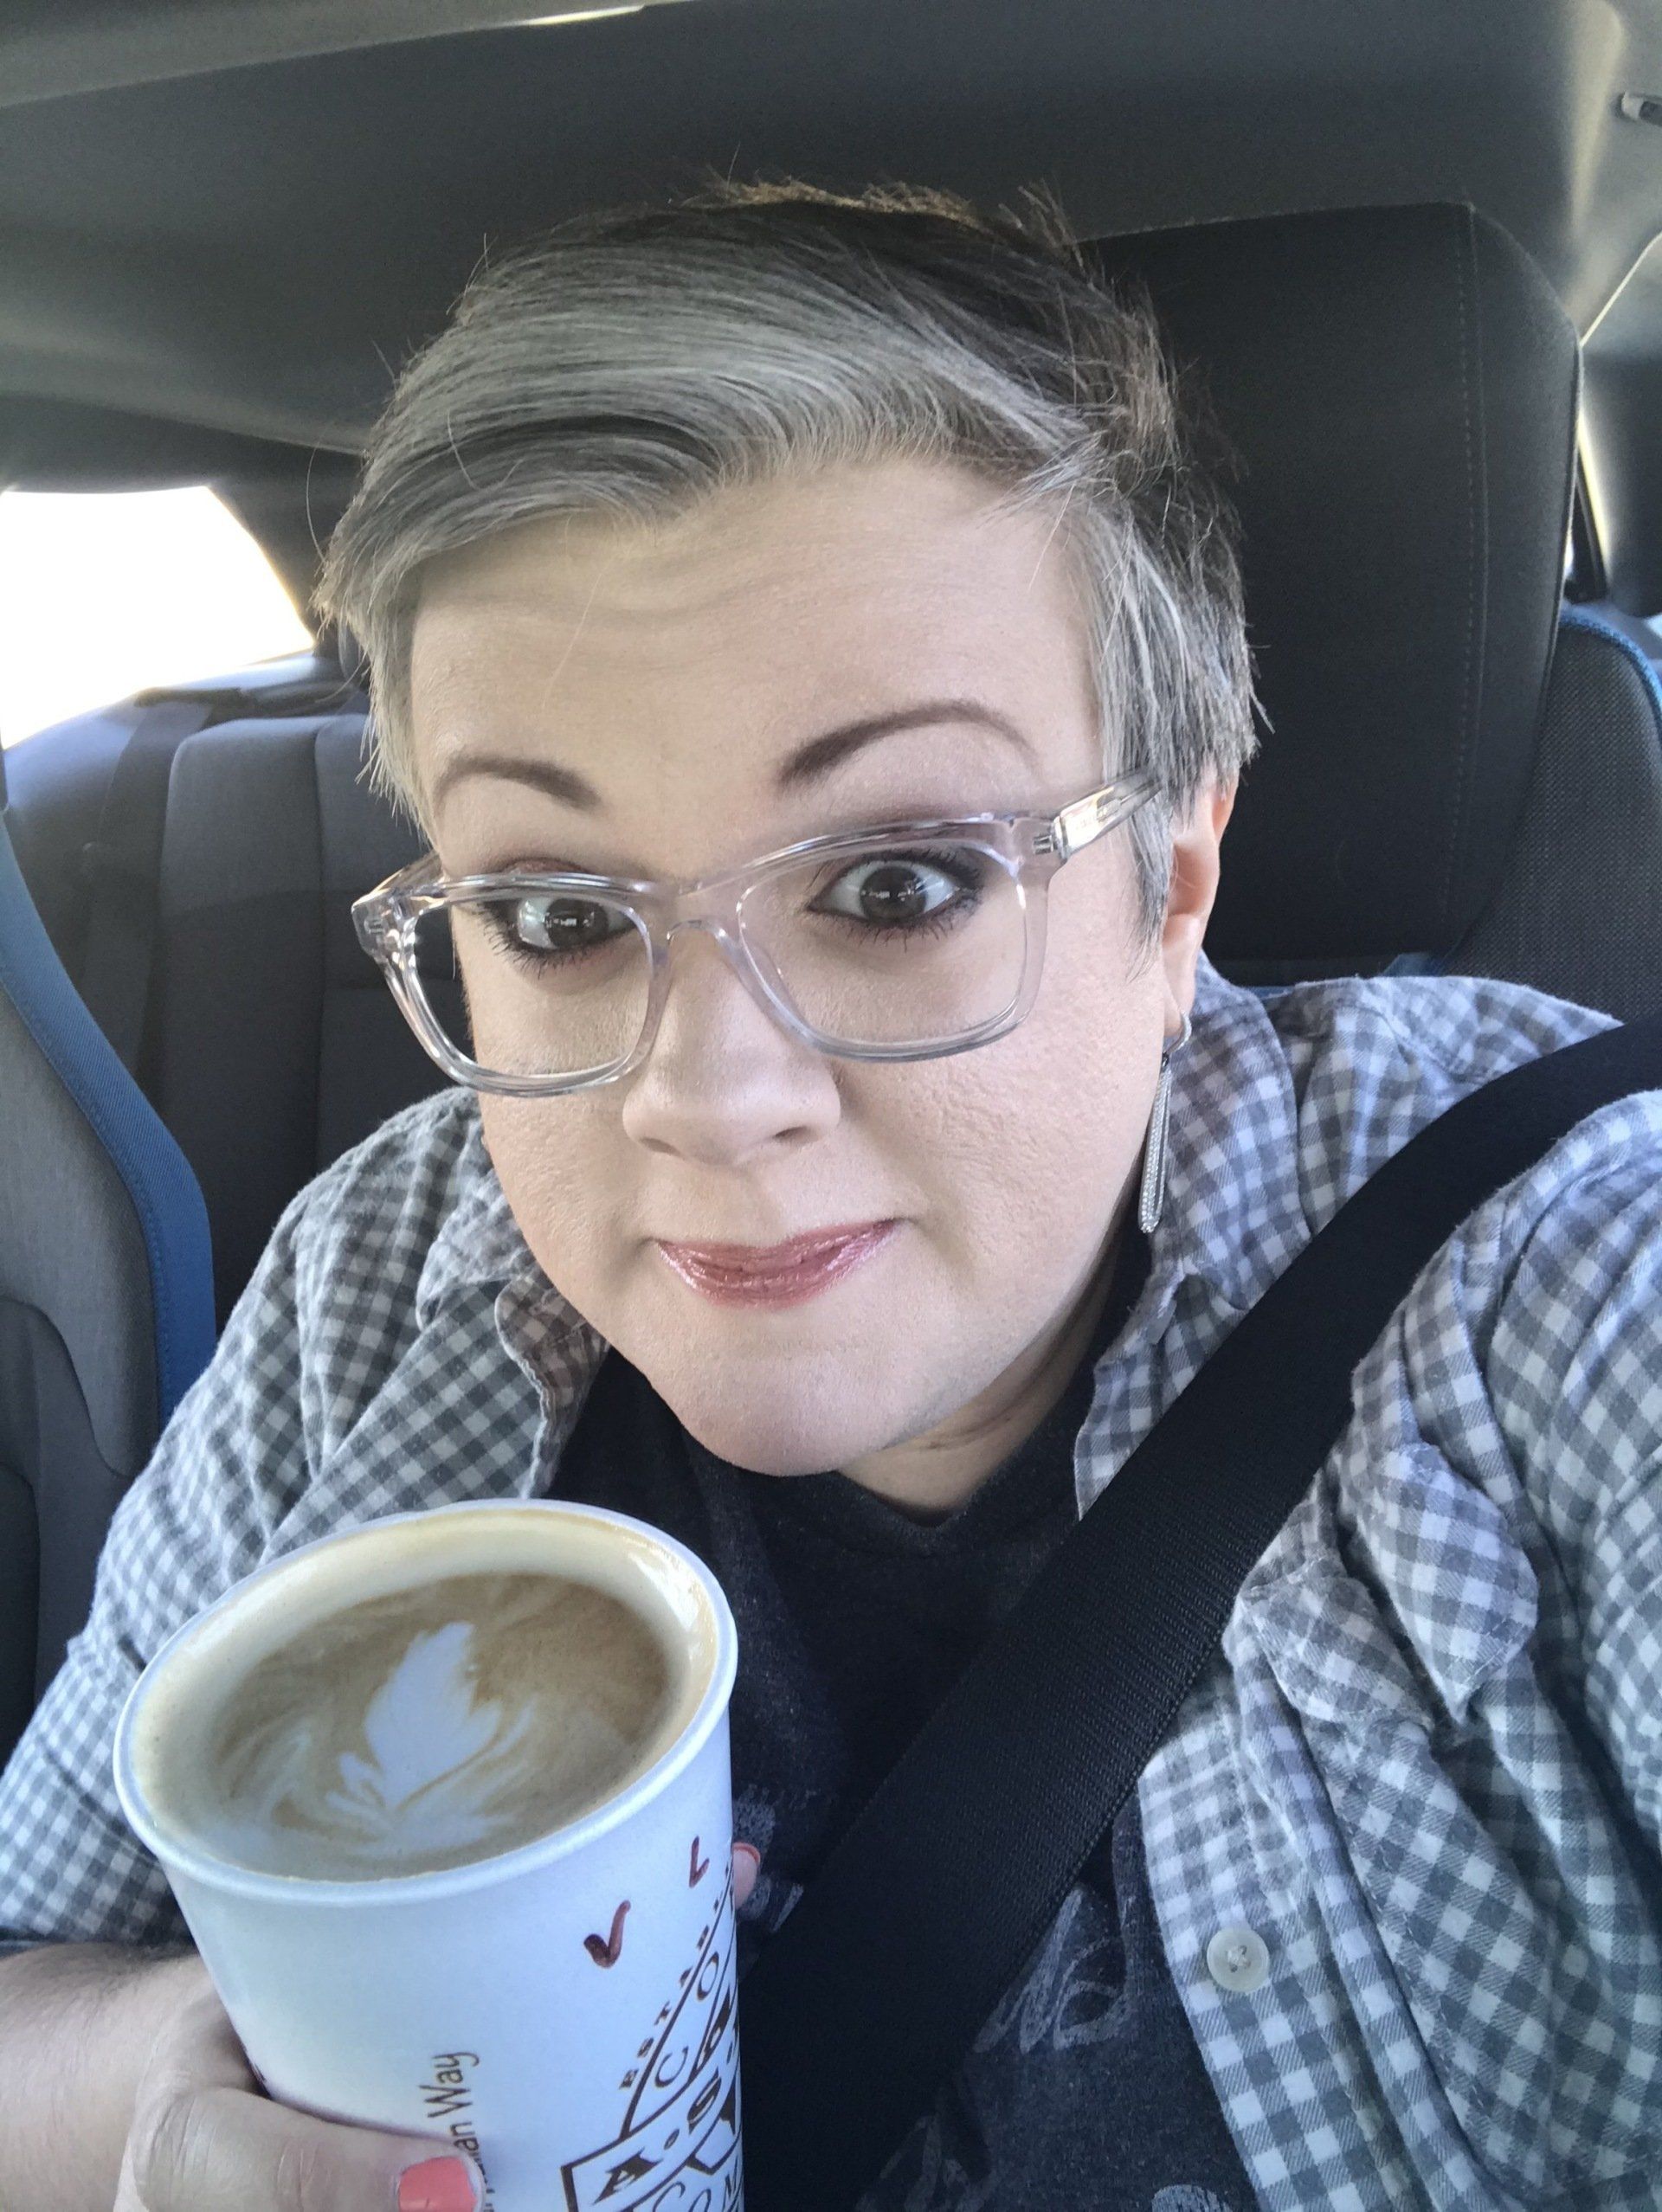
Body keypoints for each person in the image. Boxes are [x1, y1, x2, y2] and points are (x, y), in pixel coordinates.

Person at [1, 174, 1659, 2212]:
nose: (707, 1099)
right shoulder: (382, 1282)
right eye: (556, 911)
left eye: (899, 886)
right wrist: (152, 2100)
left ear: (1179, 878)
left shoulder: (1568, 1281)